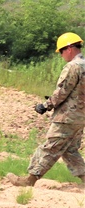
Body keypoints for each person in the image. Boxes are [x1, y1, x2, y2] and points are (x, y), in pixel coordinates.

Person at [8, 32, 85, 187]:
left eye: (61, 51)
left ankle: (29, 180)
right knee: (70, 150)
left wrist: (46, 105)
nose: (61, 55)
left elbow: (62, 91)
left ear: (69, 48)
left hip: (67, 117)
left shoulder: (73, 67)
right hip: (81, 117)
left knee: (50, 147)